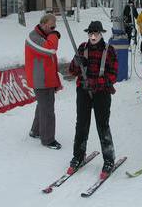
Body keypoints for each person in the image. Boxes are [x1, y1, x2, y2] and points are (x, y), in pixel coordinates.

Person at [68, 21, 118, 179]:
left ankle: (109, 159)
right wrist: (77, 63)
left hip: (101, 93)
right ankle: (78, 155)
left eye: (96, 33)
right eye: (90, 33)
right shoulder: (82, 48)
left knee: (102, 125)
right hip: (83, 91)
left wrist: (96, 83)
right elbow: (72, 71)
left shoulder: (108, 50)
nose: (93, 36)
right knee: (81, 124)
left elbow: (113, 75)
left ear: (101, 34)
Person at [25, 13, 62, 149]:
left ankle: (36, 131)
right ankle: (48, 139)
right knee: (47, 109)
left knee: (42, 105)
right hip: (41, 80)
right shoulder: (33, 38)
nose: (54, 28)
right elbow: (50, 49)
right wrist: (54, 34)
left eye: (55, 26)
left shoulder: (41, 36)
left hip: (45, 78)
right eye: (52, 26)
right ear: (44, 24)